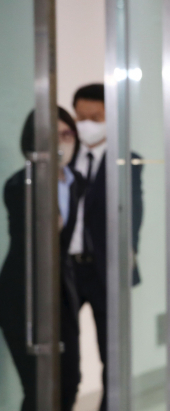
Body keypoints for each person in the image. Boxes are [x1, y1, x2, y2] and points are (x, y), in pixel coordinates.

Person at [0, 107, 84, 411]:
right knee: (38, 388)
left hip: (62, 293)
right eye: (53, 136)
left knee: (69, 381)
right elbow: (30, 238)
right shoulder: (19, 184)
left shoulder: (75, 182)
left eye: (67, 134)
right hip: (23, 294)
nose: (62, 142)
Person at [69, 83, 144, 411]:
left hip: (105, 270)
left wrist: (127, 257)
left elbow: (133, 214)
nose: (86, 124)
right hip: (66, 269)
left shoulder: (126, 160)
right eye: (80, 117)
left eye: (95, 117)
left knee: (112, 356)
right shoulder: (63, 158)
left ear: (110, 117)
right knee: (63, 354)